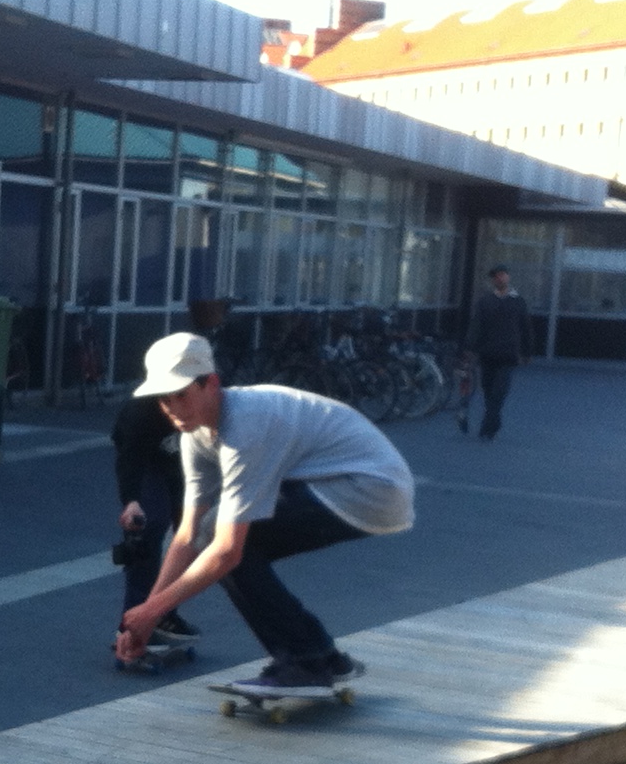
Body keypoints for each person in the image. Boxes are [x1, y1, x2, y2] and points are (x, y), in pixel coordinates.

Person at [114, 332, 414, 693]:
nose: (174, 408)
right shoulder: (195, 436)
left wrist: (151, 611)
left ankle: (304, 662)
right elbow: (187, 535)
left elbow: (225, 550)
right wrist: (150, 615)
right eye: (164, 399)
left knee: (226, 547)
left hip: (369, 487)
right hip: (348, 483)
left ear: (211, 383)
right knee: (218, 541)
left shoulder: (246, 426)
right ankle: (321, 656)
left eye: (182, 395)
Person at [109, 390, 200, 672]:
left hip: (183, 466)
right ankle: (133, 623)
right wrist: (131, 501)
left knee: (190, 535)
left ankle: (164, 613)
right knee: (149, 524)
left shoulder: (203, 403)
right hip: (145, 459)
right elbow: (129, 459)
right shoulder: (141, 412)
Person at [463, 264, 532, 441]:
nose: (499, 279)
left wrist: (526, 351)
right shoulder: (485, 302)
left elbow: (525, 327)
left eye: (502, 275)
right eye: (496, 276)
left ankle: (488, 427)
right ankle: (493, 421)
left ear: (508, 277)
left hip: (508, 354)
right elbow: (476, 325)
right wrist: (470, 347)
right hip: (488, 353)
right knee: (487, 390)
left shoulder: (518, 301)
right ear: (493, 280)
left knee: (499, 391)